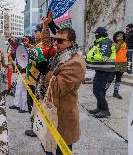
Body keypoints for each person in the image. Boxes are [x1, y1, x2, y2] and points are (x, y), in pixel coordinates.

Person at [42, 27, 86, 155]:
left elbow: (58, 88)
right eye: (55, 40)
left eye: (60, 41)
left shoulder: (75, 62)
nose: (56, 43)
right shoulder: (61, 54)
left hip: (63, 117)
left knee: (61, 150)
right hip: (52, 111)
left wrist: (46, 72)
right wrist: (46, 26)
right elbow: (45, 43)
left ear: (71, 43)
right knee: (49, 147)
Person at [86, 27, 116, 118]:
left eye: (96, 33)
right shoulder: (101, 42)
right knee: (100, 90)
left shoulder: (105, 42)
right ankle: (99, 108)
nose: (95, 35)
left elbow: (104, 57)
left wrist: (91, 56)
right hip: (102, 70)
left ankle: (105, 110)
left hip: (106, 71)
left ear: (99, 34)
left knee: (97, 90)